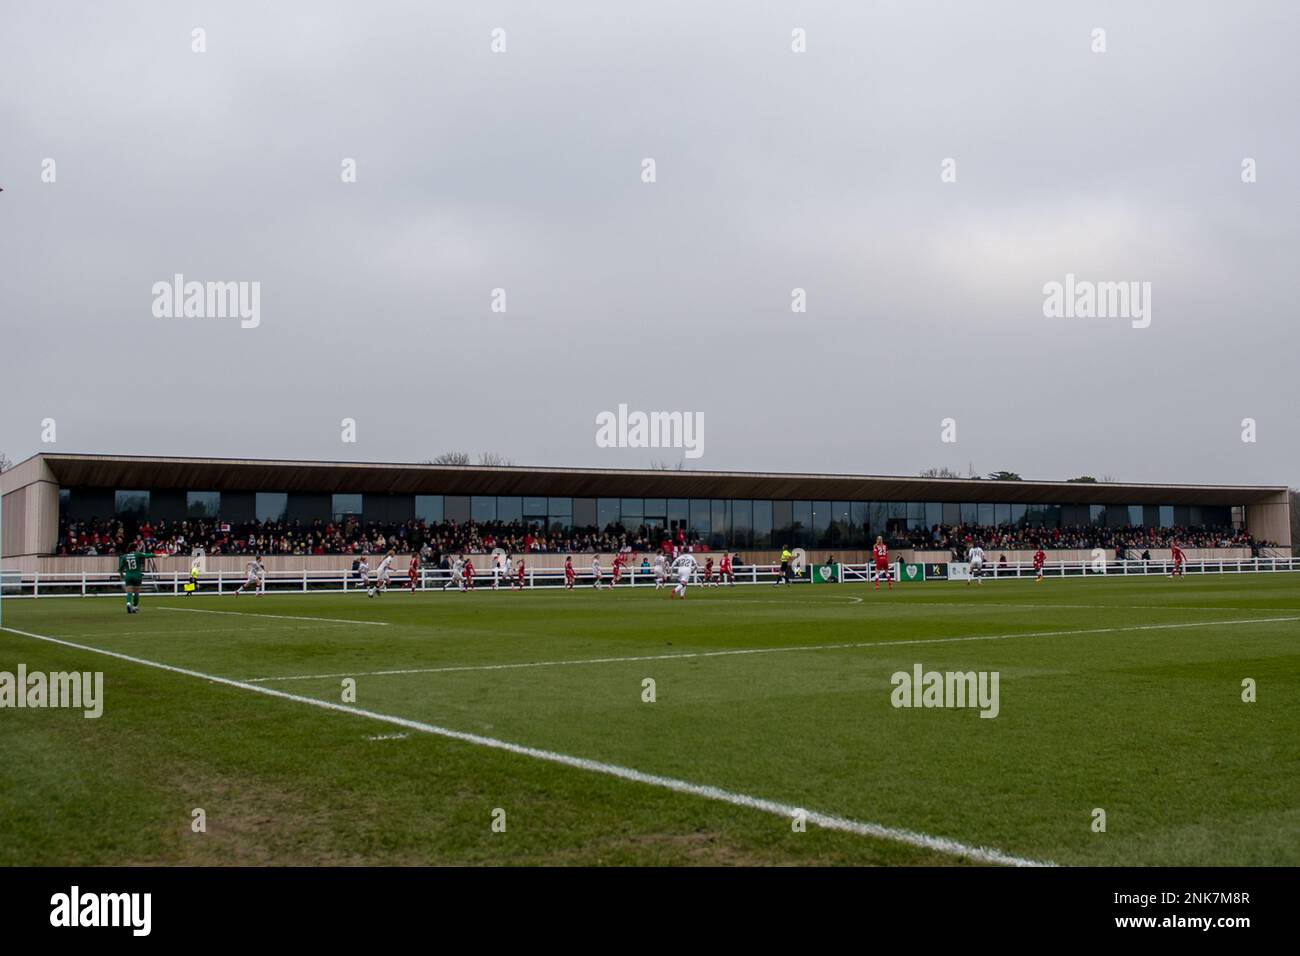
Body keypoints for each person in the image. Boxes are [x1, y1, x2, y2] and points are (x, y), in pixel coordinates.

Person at [117, 546, 152, 613]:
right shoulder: (137, 554)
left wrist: (121, 575)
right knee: (136, 592)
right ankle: (135, 607)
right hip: (137, 575)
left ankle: (128, 603)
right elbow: (148, 555)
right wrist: (159, 555)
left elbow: (120, 568)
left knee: (129, 592)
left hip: (128, 575)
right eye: (137, 547)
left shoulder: (124, 556)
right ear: (135, 548)